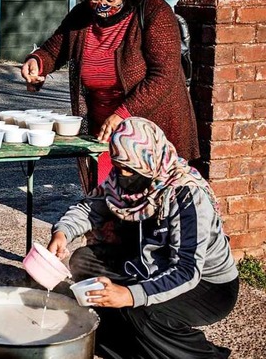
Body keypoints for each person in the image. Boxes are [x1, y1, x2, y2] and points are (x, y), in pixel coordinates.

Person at [48, 117, 238, 359]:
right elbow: (91, 208)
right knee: (84, 260)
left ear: (149, 160)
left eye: (129, 169)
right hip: (149, 265)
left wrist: (129, 295)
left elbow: (187, 269)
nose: (123, 175)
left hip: (208, 287)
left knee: (141, 311)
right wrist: (62, 232)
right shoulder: (121, 179)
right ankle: (131, 345)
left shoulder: (186, 194)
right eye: (118, 166)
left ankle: (205, 355)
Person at [20, 0, 199, 193]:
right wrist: (37, 62)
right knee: (105, 199)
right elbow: (55, 48)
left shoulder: (154, 11)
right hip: (102, 129)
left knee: (151, 203)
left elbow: (163, 76)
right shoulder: (82, 15)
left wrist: (123, 113)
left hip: (151, 128)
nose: (102, 5)